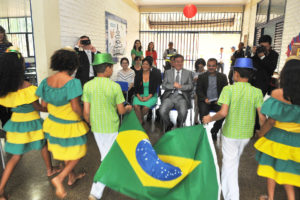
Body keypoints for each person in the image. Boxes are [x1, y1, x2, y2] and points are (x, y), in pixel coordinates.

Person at [0, 47, 60, 200]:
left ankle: (0, 190)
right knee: (43, 144)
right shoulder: (28, 87)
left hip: (16, 124)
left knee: (14, 158)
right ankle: (49, 169)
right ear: (20, 67)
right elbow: (38, 107)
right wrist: (49, 107)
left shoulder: (5, 89)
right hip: (32, 123)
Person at [203, 58, 265, 200]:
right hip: (246, 134)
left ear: (235, 73)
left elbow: (223, 113)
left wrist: (209, 119)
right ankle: (225, 191)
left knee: (230, 165)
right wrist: (264, 133)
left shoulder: (228, 89)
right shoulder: (257, 92)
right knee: (231, 163)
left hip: (230, 133)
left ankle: (233, 197)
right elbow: (262, 117)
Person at [36, 48, 89, 199]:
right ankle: (60, 178)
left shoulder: (46, 82)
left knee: (66, 151)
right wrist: (85, 117)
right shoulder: (73, 82)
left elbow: (43, 104)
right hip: (70, 123)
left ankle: (72, 177)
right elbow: (75, 107)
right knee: (79, 152)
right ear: (73, 65)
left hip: (53, 123)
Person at [81, 53, 132, 200]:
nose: (112, 69)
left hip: (96, 127)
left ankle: (115, 178)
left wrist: (91, 123)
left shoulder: (88, 85)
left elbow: (86, 112)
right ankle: (95, 193)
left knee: (108, 155)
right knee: (107, 158)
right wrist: (128, 109)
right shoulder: (114, 87)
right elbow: (121, 110)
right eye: (112, 67)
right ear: (108, 68)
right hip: (111, 127)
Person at [255, 57, 300, 200]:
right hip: (296, 141)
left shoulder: (277, 94)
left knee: (271, 168)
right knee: (288, 170)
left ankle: (271, 197)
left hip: (276, 138)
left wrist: (261, 134)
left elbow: (271, 121)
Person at [159, 54, 193, 131]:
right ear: (173, 63)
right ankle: (169, 123)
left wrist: (181, 87)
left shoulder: (188, 73)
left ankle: (179, 123)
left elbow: (191, 86)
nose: (179, 63)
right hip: (169, 96)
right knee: (162, 111)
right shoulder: (168, 72)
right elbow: (164, 85)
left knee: (183, 112)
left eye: (181, 62)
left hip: (182, 97)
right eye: (177, 62)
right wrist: (173, 85)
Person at [196, 58, 228, 140]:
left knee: (223, 113)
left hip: (218, 101)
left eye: (213, 66)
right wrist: (204, 98)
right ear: (207, 66)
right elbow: (198, 90)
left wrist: (220, 100)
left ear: (216, 66)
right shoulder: (201, 76)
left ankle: (214, 130)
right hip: (205, 101)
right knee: (203, 113)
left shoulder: (223, 77)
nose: (211, 67)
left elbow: (226, 91)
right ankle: (205, 132)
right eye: (209, 66)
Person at [133, 57, 159, 124]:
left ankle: (139, 119)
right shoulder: (138, 74)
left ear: (150, 66)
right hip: (140, 94)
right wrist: (139, 97)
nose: (144, 65)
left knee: (145, 107)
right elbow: (136, 88)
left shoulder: (154, 75)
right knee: (136, 106)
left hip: (151, 95)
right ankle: (140, 121)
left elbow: (154, 89)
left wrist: (147, 98)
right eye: (143, 64)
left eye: (146, 64)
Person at [0, 26, 13, 128]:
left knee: (11, 99)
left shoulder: (8, 45)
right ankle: (5, 124)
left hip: (8, 75)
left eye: (2, 33)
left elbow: (13, 60)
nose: (1, 35)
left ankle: (11, 122)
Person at [193, 58, 206, 125]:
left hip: (205, 92)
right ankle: (195, 120)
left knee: (203, 105)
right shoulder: (194, 72)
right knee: (197, 105)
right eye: (199, 67)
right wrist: (194, 80)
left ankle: (203, 119)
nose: (200, 68)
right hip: (196, 91)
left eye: (202, 67)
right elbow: (191, 84)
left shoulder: (206, 72)